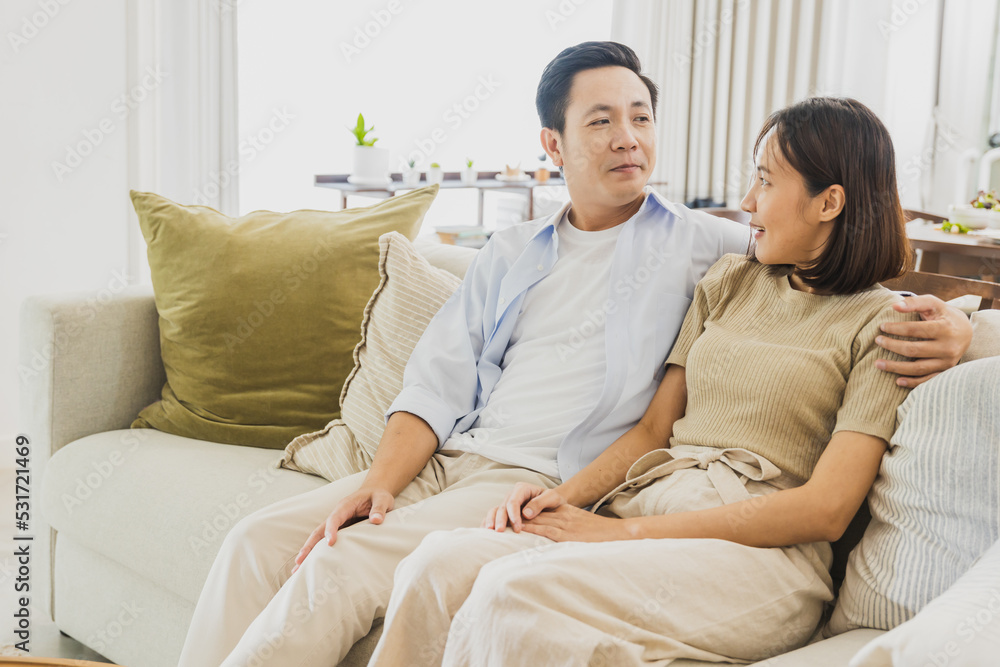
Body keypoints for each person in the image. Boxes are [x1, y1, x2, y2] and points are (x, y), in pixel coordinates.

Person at [177, 43, 971, 667]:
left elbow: (854, 264)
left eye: (640, 117)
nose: (628, 137)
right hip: (496, 464)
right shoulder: (569, 255)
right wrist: (383, 484)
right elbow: (444, 381)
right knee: (256, 541)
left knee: (371, 570)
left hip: (570, 481)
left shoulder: (709, 247)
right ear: (553, 143)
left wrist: (965, 324)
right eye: (601, 120)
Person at [366, 96, 931, 666]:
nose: (747, 201)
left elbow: (827, 509)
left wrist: (615, 537)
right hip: (645, 502)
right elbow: (655, 427)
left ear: (829, 202)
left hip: (760, 554)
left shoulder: (885, 326)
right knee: (434, 562)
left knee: (512, 592)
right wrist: (558, 500)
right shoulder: (732, 281)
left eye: (765, 181)